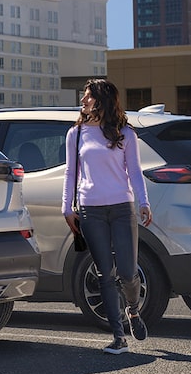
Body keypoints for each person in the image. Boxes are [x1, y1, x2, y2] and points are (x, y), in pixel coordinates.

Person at [62, 78, 153, 355]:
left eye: (87, 96)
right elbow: (71, 173)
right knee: (105, 273)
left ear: (101, 100)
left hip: (122, 208)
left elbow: (135, 172)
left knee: (127, 271)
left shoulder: (125, 133)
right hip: (91, 210)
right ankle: (118, 336)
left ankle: (133, 311)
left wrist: (144, 202)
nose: (83, 101)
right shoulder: (75, 134)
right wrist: (67, 207)